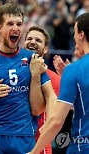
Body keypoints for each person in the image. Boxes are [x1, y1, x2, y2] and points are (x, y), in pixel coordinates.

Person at [0, 3, 56, 154]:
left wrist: (50, 120)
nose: (15, 28)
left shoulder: (32, 58)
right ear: (0, 27)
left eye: (19, 24)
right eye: (10, 23)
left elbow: (51, 96)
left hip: (23, 137)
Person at [28, 12, 89, 154]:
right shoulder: (72, 71)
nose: (73, 37)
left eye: (74, 31)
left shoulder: (74, 70)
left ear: (81, 34)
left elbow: (56, 121)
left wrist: (34, 152)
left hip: (82, 146)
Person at [24, 25, 61, 154]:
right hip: (11, 143)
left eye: (38, 40)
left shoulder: (53, 79)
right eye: (29, 39)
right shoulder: (13, 72)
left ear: (45, 49)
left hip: (38, 146)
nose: (32, 42)